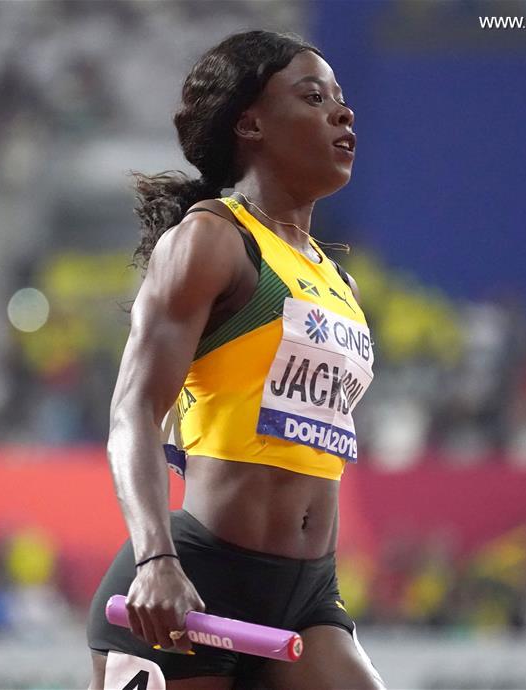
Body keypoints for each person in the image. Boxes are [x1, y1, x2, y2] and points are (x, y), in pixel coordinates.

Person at [87, 30, 385, 690]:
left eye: (342, 98)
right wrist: (154, 558)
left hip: (308, 594)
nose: (344, 112)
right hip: (196, 580)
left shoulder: (339, 281)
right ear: (250, 122)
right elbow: (134, 412)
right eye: (314, 97)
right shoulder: (210, 241)